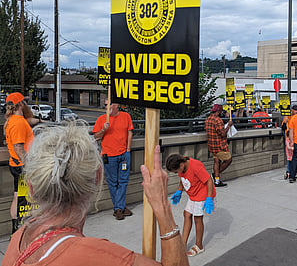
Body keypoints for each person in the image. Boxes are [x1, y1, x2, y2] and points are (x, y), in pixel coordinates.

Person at [3, 124, 189, 266]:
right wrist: (162, 208)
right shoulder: (98, 256)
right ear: (98, 176)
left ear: (32, 188)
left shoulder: (19, 238)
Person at [166, 154, 216, 257]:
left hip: (202, 194)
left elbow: (209, 180)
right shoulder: (182, 167)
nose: (176, 173)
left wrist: (209, 198)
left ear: (181, 165)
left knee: (197, 219)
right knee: (187, 214)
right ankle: (183, 244)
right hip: (193, 195)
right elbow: (182, 178)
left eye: (176, 171)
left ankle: (199, 246)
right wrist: (179, 191)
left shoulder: (196, 166)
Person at [92, 102, 134, 220]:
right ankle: (120, 208)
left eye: (109, 104)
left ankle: (118, 208)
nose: (106, 106)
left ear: (116, 105)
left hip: (124, 155)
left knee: (123, 181)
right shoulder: (101, 119)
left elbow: (129, 132)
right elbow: (96, 137)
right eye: (105, 104)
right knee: (112, 182)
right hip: (109, 156)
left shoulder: (126, 116)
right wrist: (103, 129)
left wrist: (128, 150)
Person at [3, 92, 35, 234]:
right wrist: (28, 166)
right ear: (21, 104)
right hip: (22, 166)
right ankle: (18, 232)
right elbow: (18, 147)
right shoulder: (18, 123)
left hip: (16, 165)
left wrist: (40, 122)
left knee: (19, 196)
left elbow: (28, 122)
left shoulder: (12, 120)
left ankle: (16, 230)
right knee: (22, 200)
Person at [205, 104, 233, 187]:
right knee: (228, 160)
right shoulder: (218, 120)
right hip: (220, 145)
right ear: (218, 111)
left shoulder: (208, 119)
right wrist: (229, 125)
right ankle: (214, 176)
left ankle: (216, 180)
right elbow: (223, 134)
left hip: (212, 145)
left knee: (216, 161)